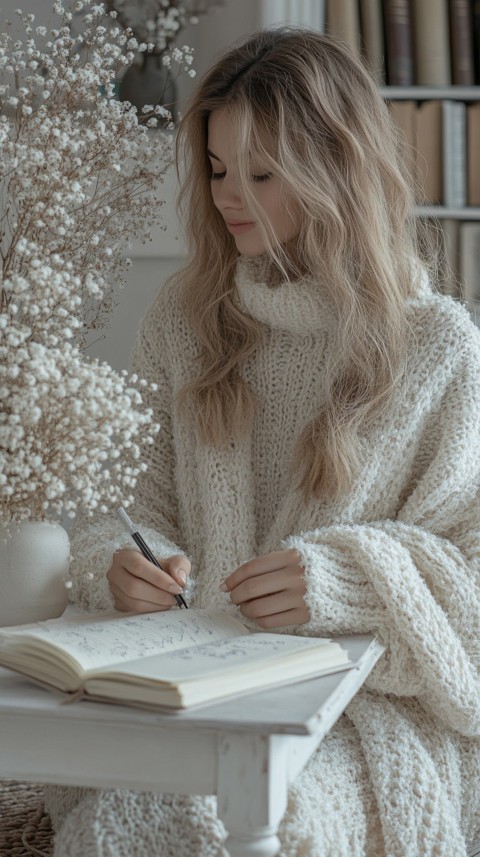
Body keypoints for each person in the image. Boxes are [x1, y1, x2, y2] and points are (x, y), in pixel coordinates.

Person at [45, 26, 480, 857]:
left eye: (261, 173)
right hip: (186, 693)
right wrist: (122, 566)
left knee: (232, 822)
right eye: (215, 170)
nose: (228, 197)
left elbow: (472, 587)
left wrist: (344, 580)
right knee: (125, 825)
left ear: (335, 173)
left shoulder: (436, 346)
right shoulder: (185, 319)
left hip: (358, 712)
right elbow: (126, 514)